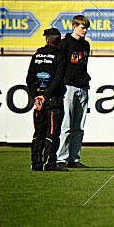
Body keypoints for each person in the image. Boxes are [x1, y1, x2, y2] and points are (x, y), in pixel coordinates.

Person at [26, 28, 68, 171]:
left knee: (38, 133)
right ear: (58, 41)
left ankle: (36, 164)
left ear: (46, 39)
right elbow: (58, 79)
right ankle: (50, 164)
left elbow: (30, 78)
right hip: (53, 100)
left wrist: (36, 96)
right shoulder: (60, 56)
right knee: (52, 133)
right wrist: (46, 96)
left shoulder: (37, 55)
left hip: (39, 101)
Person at [56, 15, 91, 169]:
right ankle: (60, 159)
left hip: (83, 87)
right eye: (82, 27)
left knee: (79, 126)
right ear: (74, 26)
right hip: (68, 86)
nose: (85, 31)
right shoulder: (64, 44)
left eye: (86, 28)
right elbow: (60, 67)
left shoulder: (86, 45)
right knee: (66, 125)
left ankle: (73, 158)